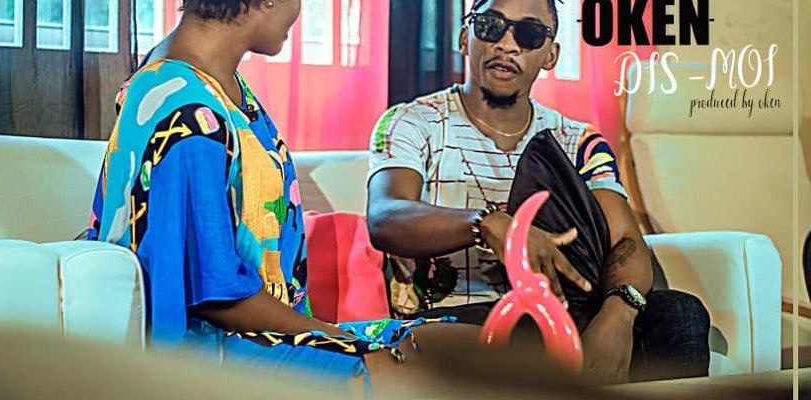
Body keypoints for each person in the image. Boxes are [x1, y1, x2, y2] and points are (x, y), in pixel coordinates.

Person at [86, 0, 502, 395]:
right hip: (214, 350)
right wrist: (344, 341)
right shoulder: (188, 111)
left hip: (256, 333)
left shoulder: (211, 81)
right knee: (418, 372)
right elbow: (219, 298)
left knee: (458, 345)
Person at [367, 0, 711, 383]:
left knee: (680, 313)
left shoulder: (578, 140)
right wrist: (488, 225)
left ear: (551, 55)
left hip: (569, 312)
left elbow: (626, 241)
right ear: (465, 37)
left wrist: (618, 316)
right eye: (490, 26)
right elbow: (385, 217)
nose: (507, 45)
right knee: (516, 343)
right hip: (460, 319)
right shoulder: (412, 122)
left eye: (529, 34)